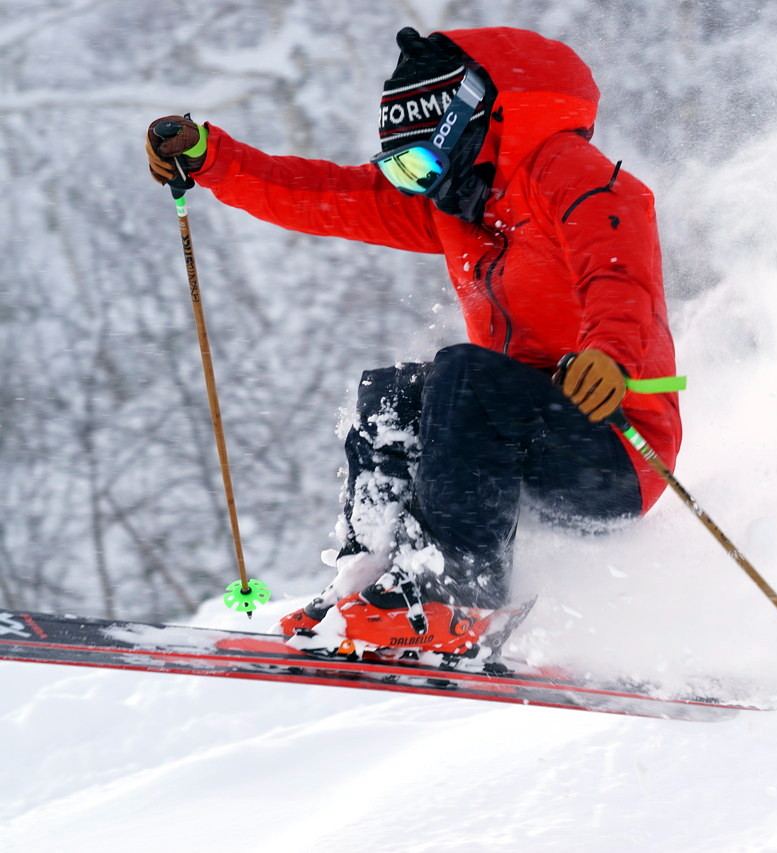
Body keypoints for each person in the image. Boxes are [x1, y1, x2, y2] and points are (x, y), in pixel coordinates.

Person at [145, 26, 681, 660]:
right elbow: (328, 195)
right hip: (522, 442)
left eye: (420, 162)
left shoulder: (567, 172)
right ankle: (370, 579)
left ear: (465, 125)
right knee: (392, 392)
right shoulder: (456, 204)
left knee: (463, 375)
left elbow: (618, 264)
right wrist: (214, 161)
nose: (417, 182)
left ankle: (455, 593)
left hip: (613, 444)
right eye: (400, 169)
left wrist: (609, 353)